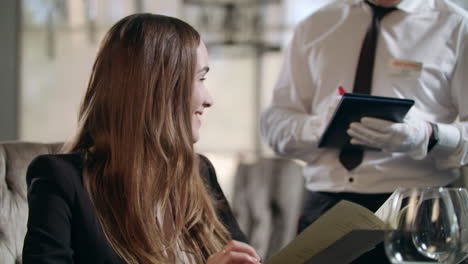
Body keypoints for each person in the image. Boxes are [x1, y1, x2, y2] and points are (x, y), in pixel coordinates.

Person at [22, 13, 262, 264]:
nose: (208, 99)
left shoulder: (200, 171)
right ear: (160, 89)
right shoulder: (62, 179)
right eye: (200, 79)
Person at [261, 0, 468, 262]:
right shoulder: (315, 25)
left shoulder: (457, 26)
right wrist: (318, 126)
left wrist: (429, 134)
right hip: (325, 207)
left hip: (418, 211)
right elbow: (275, 124)